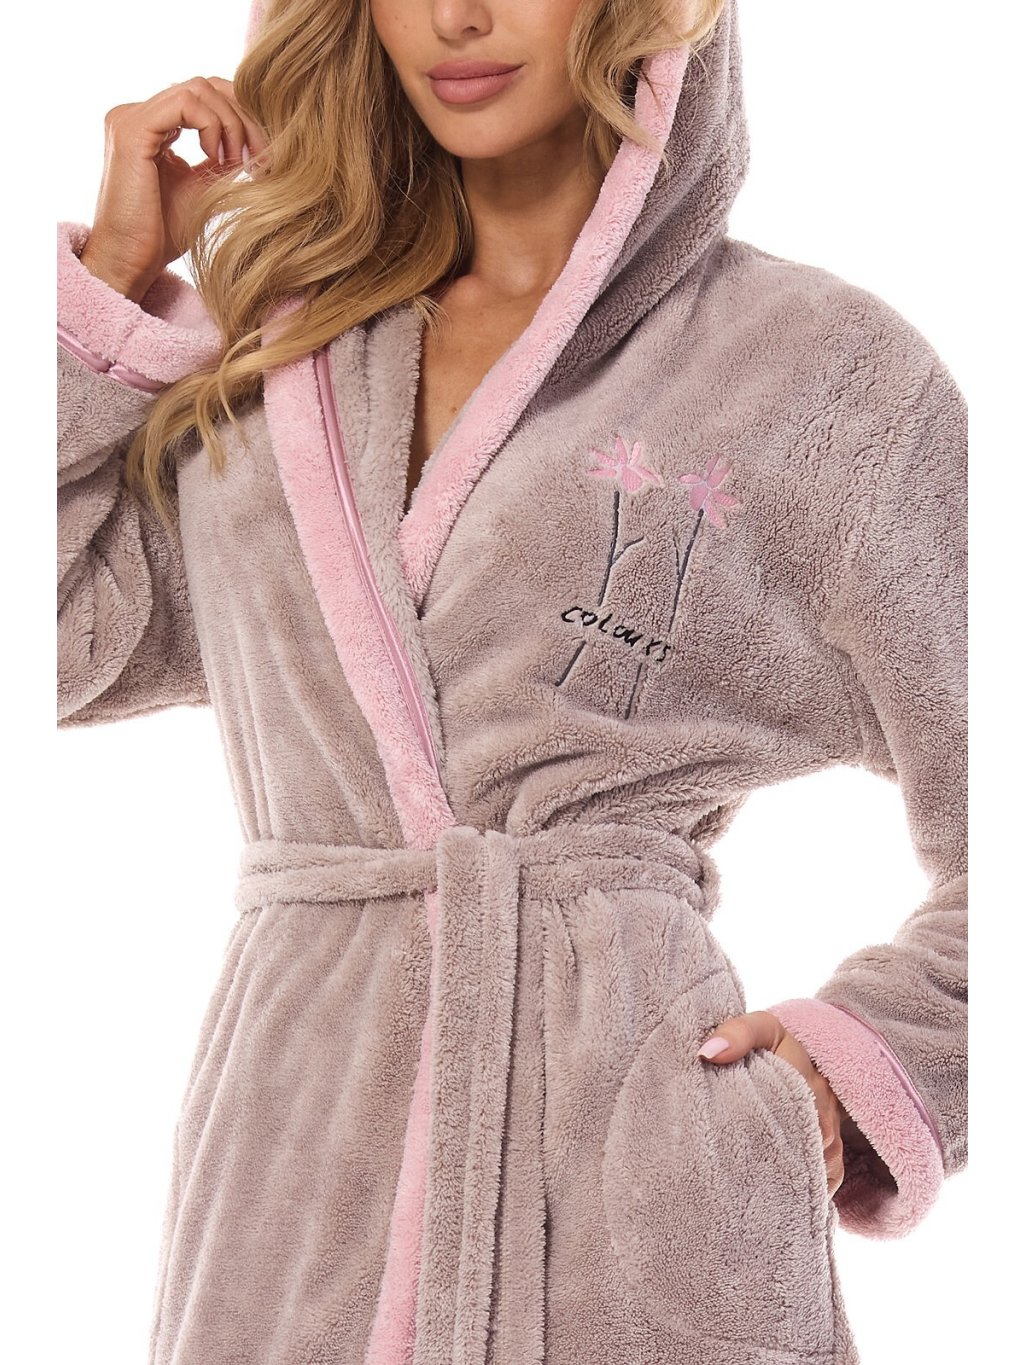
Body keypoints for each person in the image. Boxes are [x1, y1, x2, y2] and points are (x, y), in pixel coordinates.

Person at [56, 1, 967, 1361]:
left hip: (632, 1179)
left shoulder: (823, 379)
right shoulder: (278, 361)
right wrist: (112, 293)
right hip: (297, 1177)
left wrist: (867, 1064)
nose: (458, 16)